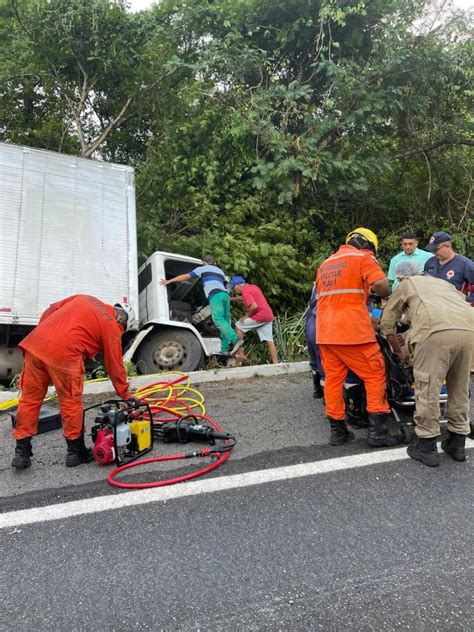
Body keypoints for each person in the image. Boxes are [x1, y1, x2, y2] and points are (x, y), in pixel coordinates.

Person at [11, 295, 137, 469]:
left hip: (36, 344)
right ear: (122, 318)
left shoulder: (85, 298)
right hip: (65, 353)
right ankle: (75, 453)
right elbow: (114, 365)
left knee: (29, 401)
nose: (121, 331)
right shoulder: (112, 324)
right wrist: (126, 394)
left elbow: (51, 309)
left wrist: (46, 335)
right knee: (70, 402)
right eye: (123, 329)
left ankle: (21, 454)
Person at [380, 260, 474, 467]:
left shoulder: (407, 283)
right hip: (469, 329)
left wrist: (397, 350)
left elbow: (387, 321)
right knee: (459, 387)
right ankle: (457, 442)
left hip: (435, 330)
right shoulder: (443, 284)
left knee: (427, 386)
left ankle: (427, 444)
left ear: (403, 277)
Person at [316, 227, 399, 447]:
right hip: (352, 332)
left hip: (325, 332)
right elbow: (381, 285)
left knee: (333, 380)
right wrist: (386, 293)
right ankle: (378, 432)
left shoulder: (326, 263)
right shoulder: (363, 258)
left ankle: (338, 431)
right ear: (367, 245)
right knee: (374, 374)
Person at [160, 255, 242, 356]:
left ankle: (236, 340)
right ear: (214, 262)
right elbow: (227, 286)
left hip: (215, 295)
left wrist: (169, 281)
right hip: (225, 296)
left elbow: (186, 276)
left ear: (204, 262)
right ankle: (224, 349)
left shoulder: (202, 268)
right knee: (225, 322)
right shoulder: (220, 271)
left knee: (218, 320)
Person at [228, 276, 279, 364]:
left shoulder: (245, 291)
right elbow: (244, 298)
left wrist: (246, 316)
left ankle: (240, 355)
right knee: (269, 340)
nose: (234, 291)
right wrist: (231, 299)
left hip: (260, 316)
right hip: (268, 315)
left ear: (237, 286)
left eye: (233, 288)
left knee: (238, 326)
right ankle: (275, 362)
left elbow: (254, 306)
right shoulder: (253, 287)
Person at [423, 231, 474, 303]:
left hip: (453, 309)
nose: (433, 252)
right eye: (432, 250)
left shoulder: (465, 264)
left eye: (436, 249)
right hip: (431, 307)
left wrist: (467, 301)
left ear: (447, 246)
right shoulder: (430, 262)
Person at [305, 286, 324, 398]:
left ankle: (318, 390)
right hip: (323, 323)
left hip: (313, 319)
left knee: (316, 359)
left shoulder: (318, 284)